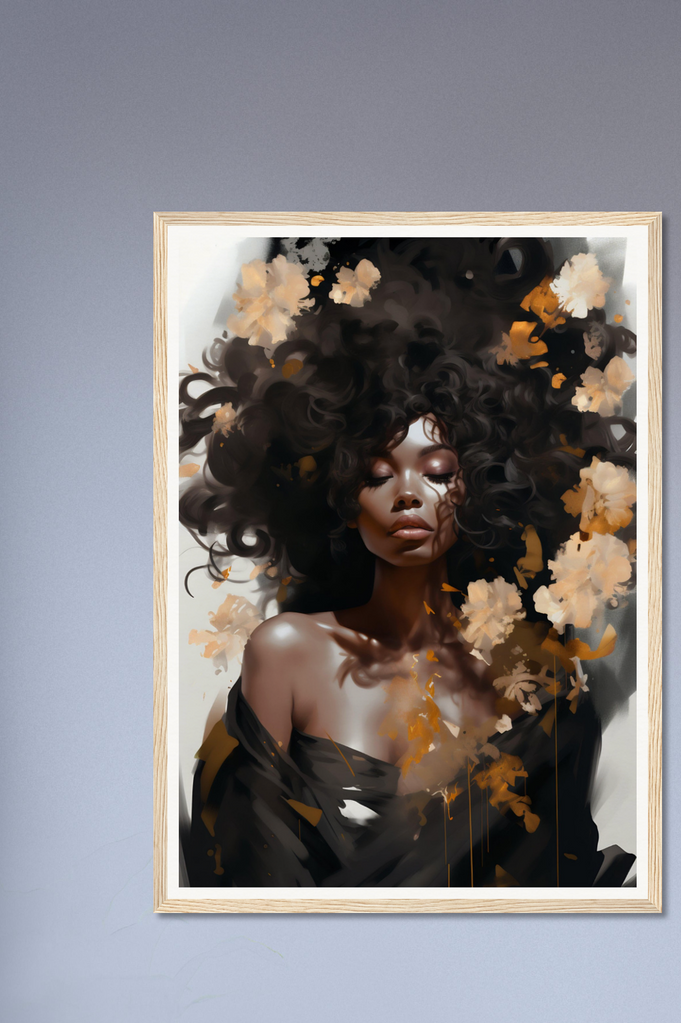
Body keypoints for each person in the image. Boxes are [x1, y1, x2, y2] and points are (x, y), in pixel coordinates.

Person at [178, 237, 637, 888]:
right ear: (338, 491)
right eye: (374, 472)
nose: (405, 495)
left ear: (479, 479)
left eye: (438, 470)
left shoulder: (537, 693)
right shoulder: (288, 651)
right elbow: (246, 884)